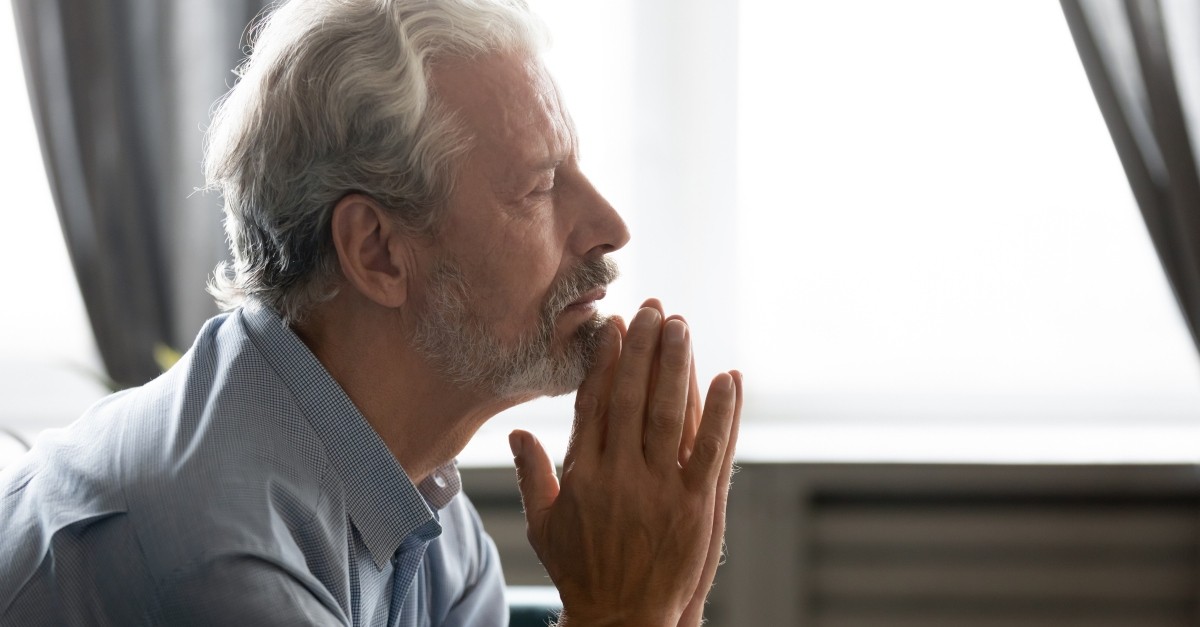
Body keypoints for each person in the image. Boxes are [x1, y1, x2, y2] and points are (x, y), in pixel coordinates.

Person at [0, 0, 743, 625]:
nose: (610, 225)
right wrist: (624, 611)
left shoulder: (413, 490)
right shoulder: (223, 566)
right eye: (539, 187)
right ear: (378, 251)